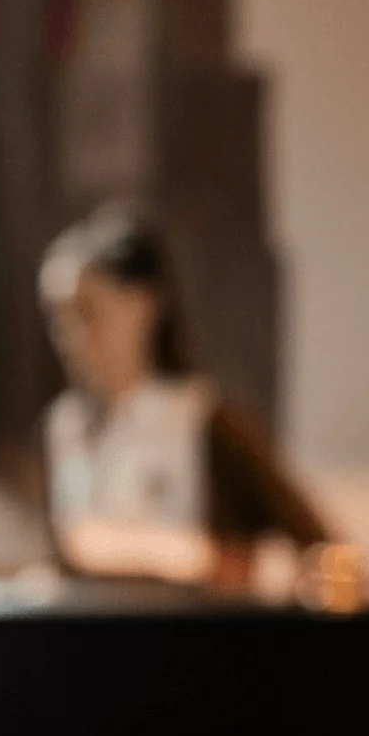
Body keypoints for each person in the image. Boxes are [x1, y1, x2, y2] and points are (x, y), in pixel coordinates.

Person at [36, 207, 332, 593]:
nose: (73, 338)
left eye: (89, 313)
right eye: (60, 320)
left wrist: (192, 557)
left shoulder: (206, 421)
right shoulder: (64, 427)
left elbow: (326, 556)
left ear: (143, 305)